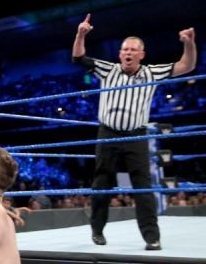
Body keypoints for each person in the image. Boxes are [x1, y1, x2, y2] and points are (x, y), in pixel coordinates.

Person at [72, 14, 197, 250]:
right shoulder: (107, 69)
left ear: (142, 54)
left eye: (133, 50)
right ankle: (97, 230)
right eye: (124, 49)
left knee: (143, 187)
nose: (128, 53)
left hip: (136, 136)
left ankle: (152, 237)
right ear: (120, 54)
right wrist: (81, 34)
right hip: (108, 133)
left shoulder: (152, 72)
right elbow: (78, 58)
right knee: (102, 184)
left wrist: (188, 43)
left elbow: (187, 66)